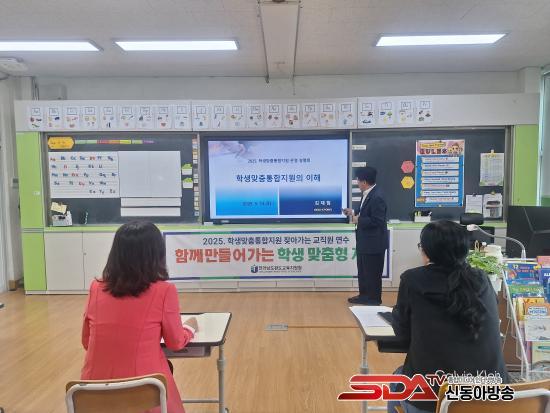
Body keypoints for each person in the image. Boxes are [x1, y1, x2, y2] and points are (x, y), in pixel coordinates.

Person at [388, 220, 508, 413]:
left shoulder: (412, 280)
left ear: (427, 251)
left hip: (434, 399)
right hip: (491, 399)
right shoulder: (482, 279)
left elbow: (402, 334)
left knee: (397, 380)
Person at [81, 221, 198, 413]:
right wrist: (190, 328)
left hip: (93, 396)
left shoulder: (96, 287)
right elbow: (175, 342)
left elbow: (86, 341)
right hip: (144, 394)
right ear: (156, 254)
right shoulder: (164, 291)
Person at [343, 166, 388, 305]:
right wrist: (352, 212)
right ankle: (364, 296)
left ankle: (373, 300)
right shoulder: (368, 193)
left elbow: (378, 220)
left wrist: (359, 220)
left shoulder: (377, 197)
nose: (357, 182)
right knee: (363, 272)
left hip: (374, 244)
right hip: (365, 242)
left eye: (357, 180)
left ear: (364, 181)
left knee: (372, 274)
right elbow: (364, 211)